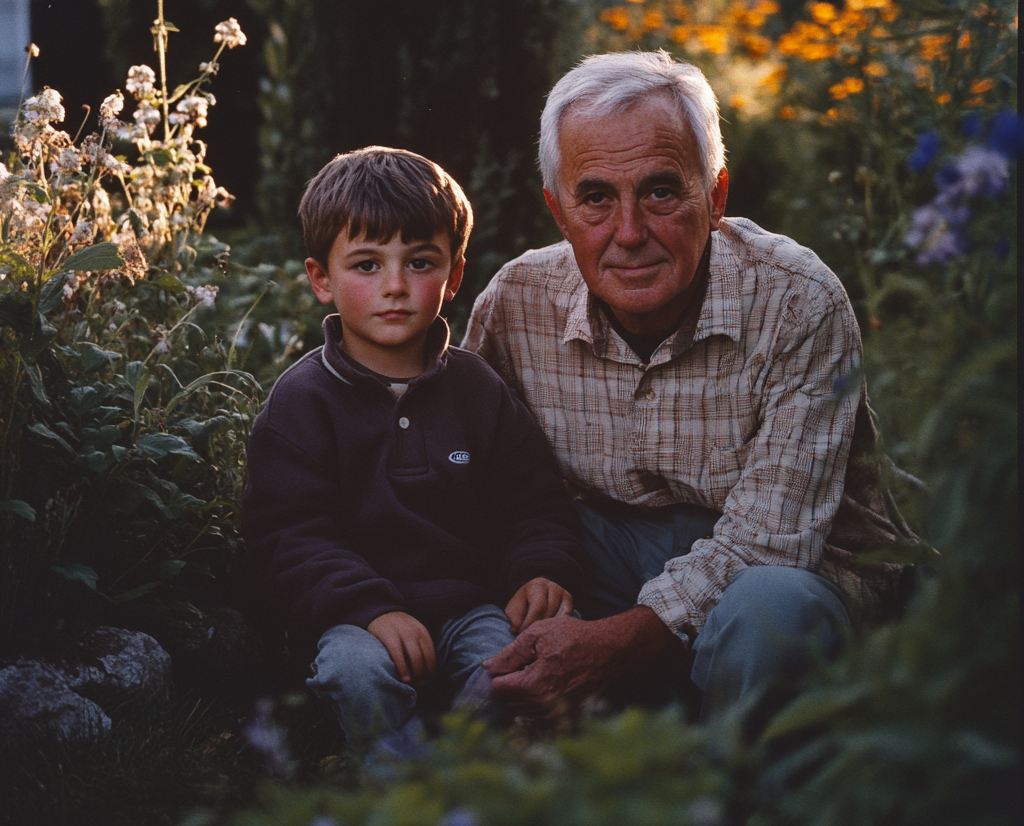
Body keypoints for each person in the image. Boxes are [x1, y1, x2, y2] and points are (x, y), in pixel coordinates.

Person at [464, 51, 911, 719]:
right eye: (595, 198)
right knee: (509, 583)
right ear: (559, 212)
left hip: (800, 568)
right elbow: (475, 478)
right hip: (617, 552)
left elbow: (773, 540)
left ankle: (733, 796)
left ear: (718, 197)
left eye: (661, 191)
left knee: (769, 612)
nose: (630, 233)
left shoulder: (797, 300)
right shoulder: (517, 301)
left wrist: (609, 643)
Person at [242, 146, 585, 747]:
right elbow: (289, 537)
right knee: (356, 675)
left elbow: (534, 502)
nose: (395, 287)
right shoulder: (301, 403)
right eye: (367, 265)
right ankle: (397, 788)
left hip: (471, 608)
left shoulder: (478, 389)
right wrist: (372, 609)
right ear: (321, 279)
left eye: (420, 262)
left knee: (508, 673)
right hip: (355, 618)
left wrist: (540, 568)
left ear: (453, 277)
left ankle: (475, 787)